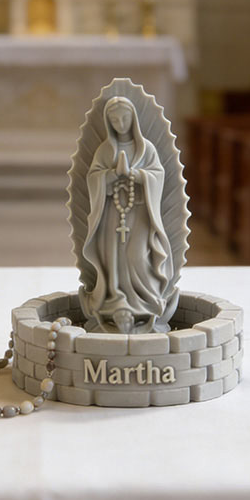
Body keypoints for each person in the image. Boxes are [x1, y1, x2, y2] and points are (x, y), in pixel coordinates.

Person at [81, 96, 177, 333]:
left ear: (133, 119)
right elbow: (93, 177)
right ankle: (117, 297)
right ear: (108, 123)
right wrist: (111, 176)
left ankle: (146, 298)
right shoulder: (105, 150)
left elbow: (157, 174)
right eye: (114, 120)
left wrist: (136, 175)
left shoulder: (146, 149)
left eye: (124, 118)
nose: (120, 123)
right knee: (116, 258)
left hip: (140, 212)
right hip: (113, 213)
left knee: (137, 255)